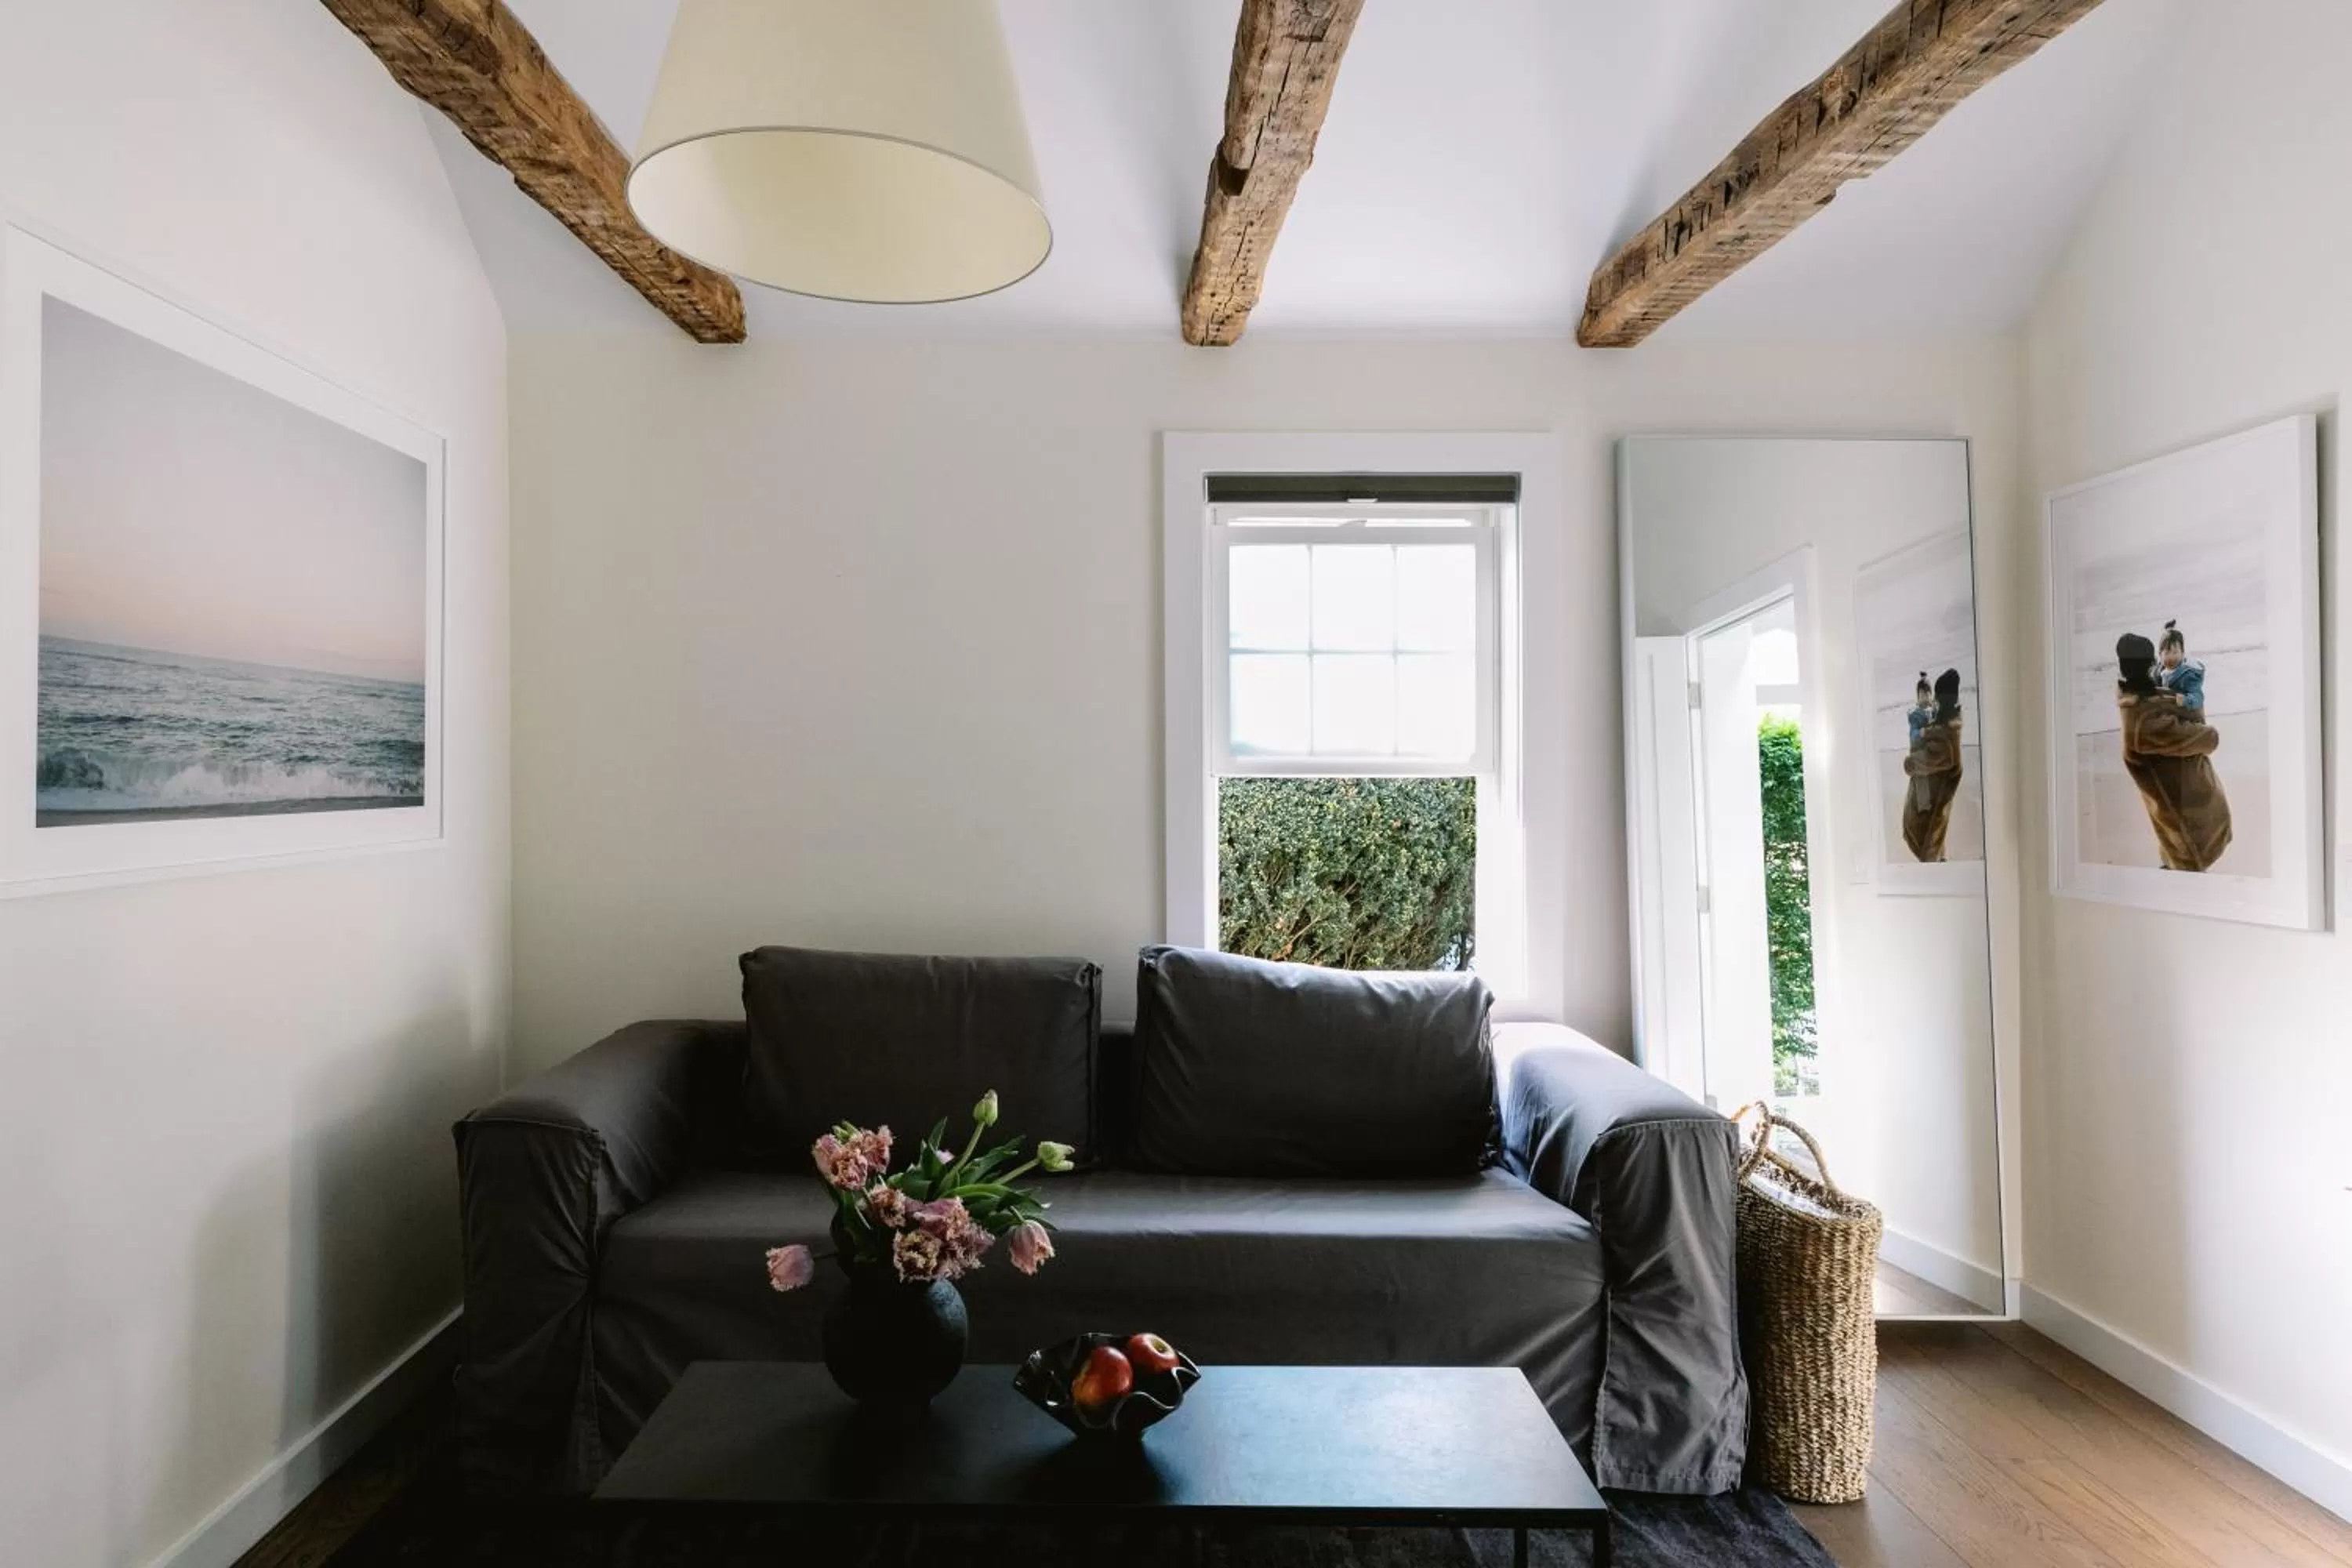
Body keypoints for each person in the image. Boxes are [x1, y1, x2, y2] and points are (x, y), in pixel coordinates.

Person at [2115, 631, 2231, 871]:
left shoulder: (2140, 700)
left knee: (2178, 863)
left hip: (2181, 808)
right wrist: (2193, 715)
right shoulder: (2145, 722)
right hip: (2186, 816)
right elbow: (2209, 739)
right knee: (2189, 867)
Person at [1901, 668, 1965, 862]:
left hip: (1929, 808)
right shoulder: (1945, 725)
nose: (1933, 699)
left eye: (1936, 695)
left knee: (1928, 846)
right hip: (1930, 801)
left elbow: (1931, 758)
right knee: (1932, 844)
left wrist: (1910, 763)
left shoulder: (1946, 737)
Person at [2154, 619, 2206, 712]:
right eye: (2167, 653)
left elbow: (2198, 697)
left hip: (2186, 713)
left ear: (2182, 653)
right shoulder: (2159, 672)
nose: (2171, 657)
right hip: (2168, 710)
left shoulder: (2188, 675)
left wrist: (2185, 700)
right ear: (2160, 655)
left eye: (2175, 652)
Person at [1906, 671, 1936, 746]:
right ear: (1918, 698)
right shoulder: (1916, 715)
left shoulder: (1935, 710)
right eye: (1922, 696)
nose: (1925, 699)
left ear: (1931, 696)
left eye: (1927, 695)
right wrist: (1920, 733)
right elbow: (1913, 733)